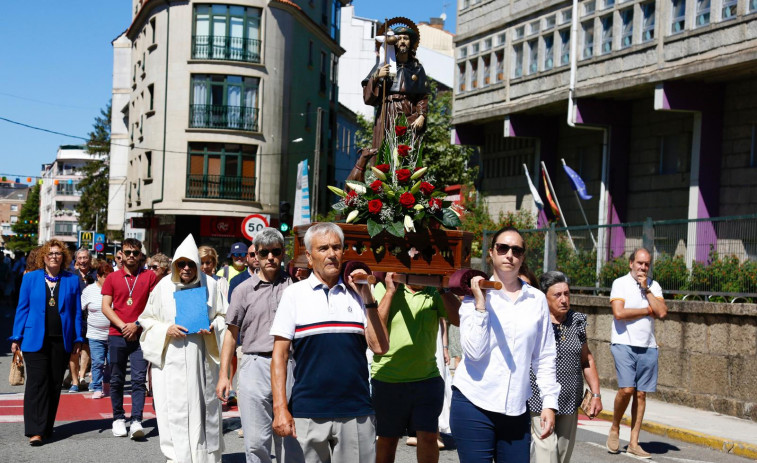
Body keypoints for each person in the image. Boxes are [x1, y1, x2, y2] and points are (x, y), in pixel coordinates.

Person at [270, 222, 390, 463]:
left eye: (336, 247)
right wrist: (280, 409)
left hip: (355, 412)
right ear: (309, 256)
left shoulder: (360, 294)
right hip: (307, 413)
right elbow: (279, 356)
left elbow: (380, 348)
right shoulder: (293, 295)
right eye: (323, 248)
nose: (331, 254)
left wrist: (366, 295)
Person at [450, 226, 560, 463]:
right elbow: (474, 352)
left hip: (516, 409)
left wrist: (549, 403)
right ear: (491, 253)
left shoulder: (537, 299)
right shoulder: (472, 295)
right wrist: (481, 303)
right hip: (474, 403)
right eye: (503, 248)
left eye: (517, 250)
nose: (510, 254)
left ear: (522, 257)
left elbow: (545, 355)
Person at [216, 228, 304, 463]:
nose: (270, 258)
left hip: (290, 365)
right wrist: (224, 375)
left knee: (291, 442)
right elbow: (231, 334)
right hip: (254, 364)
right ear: (255, 255)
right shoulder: (243, 290)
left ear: (283, 253)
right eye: (264, 253)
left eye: (276, 252)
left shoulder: (295, 286)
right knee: (256, 443)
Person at [138, 234, 227, 463]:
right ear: (175, 265)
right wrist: (166, 329)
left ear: (197, 264)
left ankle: (205, 459)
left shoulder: (213, 285)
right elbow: (147, 319)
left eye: (190, 264)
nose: (186, 269)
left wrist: (212, 326)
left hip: (202, 359)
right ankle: (177, 458)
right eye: (181, 264)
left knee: (203, 411)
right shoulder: (163, 287)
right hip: (171, 361)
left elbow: (224, 317)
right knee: (173, 411)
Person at [371, 273, 460, 463]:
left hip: (426, 380)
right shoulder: (383, 288)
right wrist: (389, 292)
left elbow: (459, 319)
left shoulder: (434, 293)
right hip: (388, 380)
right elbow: (374, 327)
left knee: (428, 439)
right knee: (387, 440)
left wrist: (442, 289)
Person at [10, 239, 84, 446]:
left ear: (64, 258)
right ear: (44, 257)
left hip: (61, 339)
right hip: (35, 339)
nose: (54, 256)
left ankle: (46, 425)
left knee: (54, 384)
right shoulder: (31, 278)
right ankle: (35, 431)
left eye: (58, 253)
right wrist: (16, 336)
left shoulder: (71, 279)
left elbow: (76, 312)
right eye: (50, 253)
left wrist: (78, 338)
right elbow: (22, 308)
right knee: (36, 383)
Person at [529, 271, 602, 463]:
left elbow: (586, 360)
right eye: (557, 295)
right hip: (540, 398)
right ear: (544, 297)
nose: (564, 299)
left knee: (562, 455)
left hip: (570, 398)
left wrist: (596, 394)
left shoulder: (577, 321)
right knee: (547, 452)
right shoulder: (535, 321)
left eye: (566, 294)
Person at [347, 22, 429, 183]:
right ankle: (382, 183)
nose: (403, 41)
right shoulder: (384, 65)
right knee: (385, 148)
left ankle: (406, 184)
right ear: (394, 42)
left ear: (411, 42)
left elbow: (422, 96)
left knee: (407, 151)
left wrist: (422, 115)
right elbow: (368, 98)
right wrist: (376, 76)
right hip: (388, 111)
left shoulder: (417, 68)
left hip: (409, 113)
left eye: (406, 38)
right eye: (400, 38)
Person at [606, 248, 667, 458]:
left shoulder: (653, 286)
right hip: (623, 343)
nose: (643, 267)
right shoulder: (619, 283)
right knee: (627, 389)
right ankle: (615, 427)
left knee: (641, 394)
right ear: (631, 263)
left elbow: (662, 311)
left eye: (647, 264)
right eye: (639, 263)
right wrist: (646, 311)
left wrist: (647, 291)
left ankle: (634, 442)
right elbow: (619, 313)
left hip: (648, 346)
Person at [101, 239, 159, 439]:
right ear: (122, 255)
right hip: (117, 335)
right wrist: (123, 325)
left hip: (141, 335)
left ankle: (136, 420)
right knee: (116, 379)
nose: (132, 256)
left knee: (138, 379)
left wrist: (137, 324)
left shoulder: (150, 276)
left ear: (141, 255)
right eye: (128, 252)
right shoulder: (112, 277)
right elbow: (106, 306)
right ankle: (118, 418)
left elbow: (154, 306)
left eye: (135, 252)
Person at [82, 261, 114, 399]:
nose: (109, 280)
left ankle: (106, 384)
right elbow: (81, 309)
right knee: (98, 362)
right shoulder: (89, 290)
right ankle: (96, 386)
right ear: (98, 276)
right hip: (95, 333)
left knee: (111, 361)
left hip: (113, 333)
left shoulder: (115, 288)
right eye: (106, 276)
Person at [67, 248, 97, 393]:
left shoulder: (96, 275)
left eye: (85, 258)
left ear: (90, 259)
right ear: (76, 260)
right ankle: (74, 380)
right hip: (74, 315)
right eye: (80, 258)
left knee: (86, 346)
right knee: (74, 347)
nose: (83, 261)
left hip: (90, 316)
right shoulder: (71, 275)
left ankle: (82, 376)